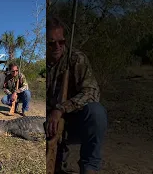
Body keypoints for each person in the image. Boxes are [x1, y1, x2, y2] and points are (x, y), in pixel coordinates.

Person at [45, 16, 108, 174]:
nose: (58, 47)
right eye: (51, 43)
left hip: (71, 122)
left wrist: (60, 109)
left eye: (62, 42)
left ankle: (90, 167)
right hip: (46, 123)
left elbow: (92, 92)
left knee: (96, 113)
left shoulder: (76, 58)